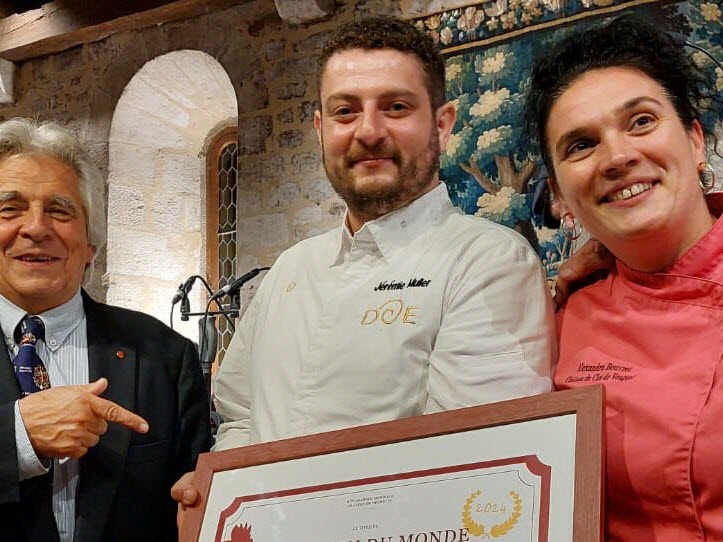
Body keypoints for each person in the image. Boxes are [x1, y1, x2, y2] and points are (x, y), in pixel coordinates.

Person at [173, 15, 555, 512]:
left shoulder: (488, 262)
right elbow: (241, 417)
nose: (368, 132)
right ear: (320, 127)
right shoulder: (290, 270)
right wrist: (222, 496)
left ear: (442, 123)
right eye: (345, 111)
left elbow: (471, 465)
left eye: (396, 107)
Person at [525, 14, 723, 540]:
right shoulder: (560, 320)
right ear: (561, 197)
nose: (618, 157)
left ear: (696, 141)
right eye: (581, 145)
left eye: (640, 122)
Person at [0, 118, 212, 542]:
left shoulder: (165, 357)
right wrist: (18, 437)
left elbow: (194, 498)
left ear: (91, 244)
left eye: (60, 211)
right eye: (10, 209)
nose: (37, 228)